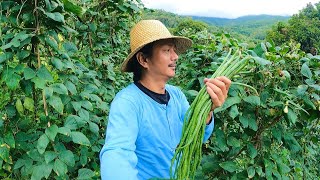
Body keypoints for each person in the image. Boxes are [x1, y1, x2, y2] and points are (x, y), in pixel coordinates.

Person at [99, 20, 231, 180]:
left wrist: (208, 110)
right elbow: (116, 155)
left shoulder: (176, 95)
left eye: (174, 50)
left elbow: (195, 136)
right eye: (167, 50)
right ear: (143, 60)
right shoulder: (128, 103)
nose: (175, 57)